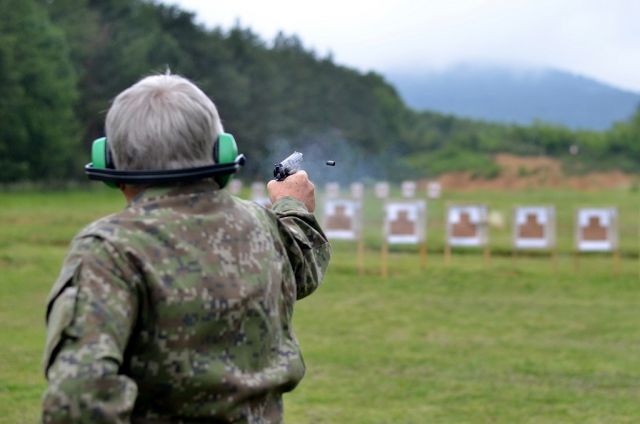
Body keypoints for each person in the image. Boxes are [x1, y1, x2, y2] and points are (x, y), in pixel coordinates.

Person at [42, 74, 331, 423]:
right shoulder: (262, 226)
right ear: (221, 151)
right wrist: (293, 206)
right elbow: (303, 265)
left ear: (109, 160)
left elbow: (76, 401)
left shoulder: (109, 249)